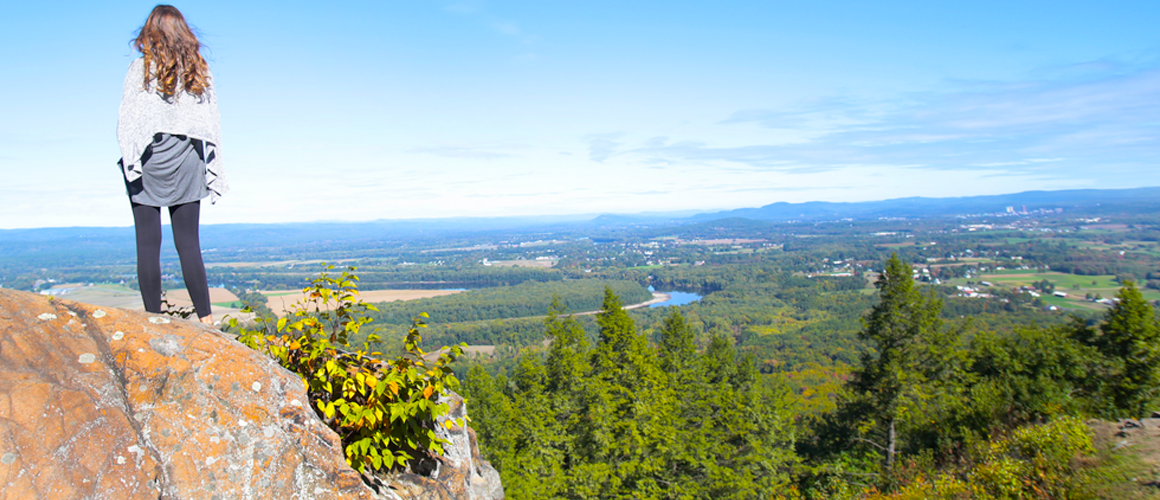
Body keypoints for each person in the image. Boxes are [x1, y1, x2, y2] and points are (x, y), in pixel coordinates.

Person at [118, 5, 228, 324]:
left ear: (149, 33)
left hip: (148, 160)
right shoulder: (198, 70)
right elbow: (211, 123)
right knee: (189, 243)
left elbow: (127, 123)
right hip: (187, 160)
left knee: (148, 243)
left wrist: (130, 159)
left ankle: (152, 318)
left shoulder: (139, 70)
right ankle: (206, 320)